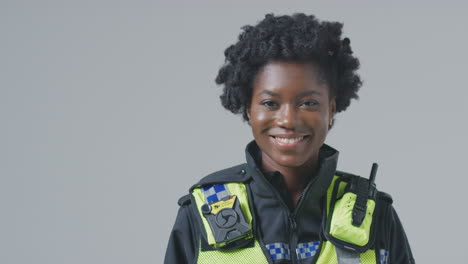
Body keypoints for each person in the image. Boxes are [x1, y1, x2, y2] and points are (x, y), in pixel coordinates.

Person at [164, 13, 414, 264]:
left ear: (332, 109)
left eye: (308, 103)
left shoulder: (376, 214)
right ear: (249, 110)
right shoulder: (200, 212)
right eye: (270, 103)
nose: (288, 120)